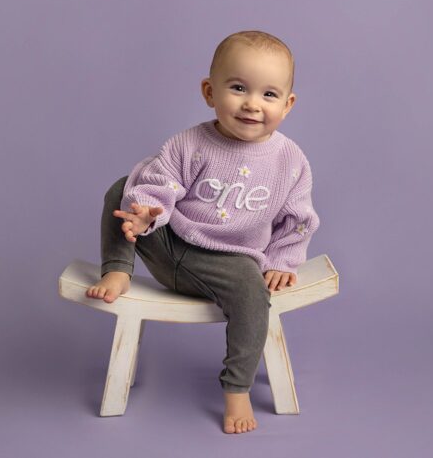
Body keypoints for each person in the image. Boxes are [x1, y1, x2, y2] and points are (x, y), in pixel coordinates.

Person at [84, 30, 319, 435]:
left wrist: (282, 260)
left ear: (288, 104)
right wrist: (146, 217)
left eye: (268, 94)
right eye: (238, 88)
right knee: (123, 186)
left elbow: (297, 218)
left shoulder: (290, 161)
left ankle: (236, 389)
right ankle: (117, 268)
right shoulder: (189, 143)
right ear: (210, 92)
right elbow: (158, 184)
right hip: (168, 241)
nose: (251, 104)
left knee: (252, 295)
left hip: (227, 264)